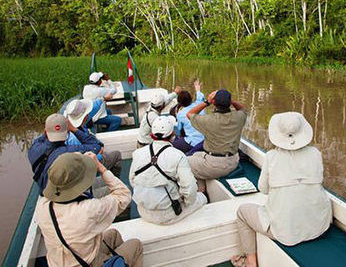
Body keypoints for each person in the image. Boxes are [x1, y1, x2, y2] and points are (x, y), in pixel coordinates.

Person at [230, 112, 332, 267]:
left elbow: (263, 189)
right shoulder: (315, 153)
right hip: (319, 226)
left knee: (242, 211)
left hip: (286, 232)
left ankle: (250, 262)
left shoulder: (272, 156)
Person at [36, 152, 143, 267]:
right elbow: (124, 196)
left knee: (114, 234)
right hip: (88, 263)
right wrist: (100, 167)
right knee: (136, 245)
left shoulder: (43, 205)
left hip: (64, 260)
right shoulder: (88, 209)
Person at [130, 116, 207, 225]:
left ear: (152, 135)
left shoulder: (137, 153)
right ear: (172, 136)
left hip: (142, 210)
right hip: (167, 214)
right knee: (202, 197)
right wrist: (186, 202)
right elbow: (189, 189)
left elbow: (132, 181)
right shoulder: (178, 156)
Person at [186, 89, 247, 192]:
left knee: (183, 162)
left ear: (214, 103)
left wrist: (207, 102)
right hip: (233, 162)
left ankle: (200, 189)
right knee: (196, 155)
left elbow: (190, 114)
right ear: (229, 103)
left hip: (214, 165)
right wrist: (231, 101)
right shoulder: (239, 117)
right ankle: (201, 187)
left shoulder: (208, 120)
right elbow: (242, 109)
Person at [28, 113, 102, 192]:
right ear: (67, 132)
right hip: (60, 192)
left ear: (45, 132)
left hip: (44, 189)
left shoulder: (34, 147)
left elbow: (42, 138)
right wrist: (73, 129)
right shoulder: (68, 151)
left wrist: (52, 128)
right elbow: (95, 145)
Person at [64, 99, 121, 171]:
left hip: (88, 152)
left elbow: (96, 106)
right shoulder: (74, 139)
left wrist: (103, 98)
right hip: (86, 166)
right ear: (85, 117)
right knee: (116, 155)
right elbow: (85, 160)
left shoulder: (77, 123)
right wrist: (99, 154)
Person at [173, 80, 205, 155]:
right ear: (191, 99)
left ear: (180, 103)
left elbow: (179, 129)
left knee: (172, 145)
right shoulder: (200, 105)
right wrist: (197, 88)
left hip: (193, 142)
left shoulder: (180, 114)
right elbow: (200, 97)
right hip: (206, 140)